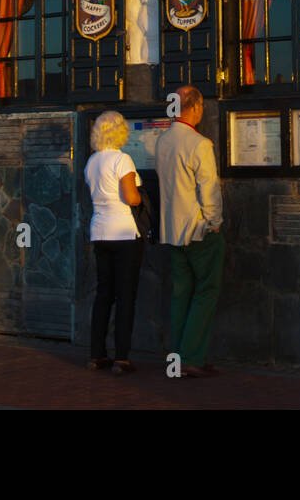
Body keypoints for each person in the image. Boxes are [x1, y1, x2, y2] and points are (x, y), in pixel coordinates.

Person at [155, 85, 224, 379]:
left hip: (171, 229)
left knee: (181, 294)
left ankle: (178, 356)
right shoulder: (200, 144)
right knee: (206, 292)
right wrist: (214, 221)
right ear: (194, 108)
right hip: (198, 230)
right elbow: (209, 189)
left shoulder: (162, 141)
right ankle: (191, 356)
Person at [85, 110, 145, 375]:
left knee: (103, 295)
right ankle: (122, 357)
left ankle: (97, 355)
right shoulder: (122, 160)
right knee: (125, 296)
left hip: (99, 232)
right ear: (121, 131)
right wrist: (144, 199)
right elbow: (132, 198)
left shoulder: (92, 162)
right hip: (124, 233)